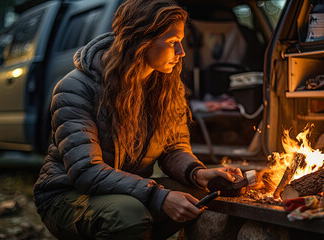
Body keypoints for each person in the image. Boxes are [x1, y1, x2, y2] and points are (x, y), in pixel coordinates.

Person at [33, 0, 242, 239]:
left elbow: (173, 148)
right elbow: (86, 172)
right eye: (173, 42)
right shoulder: (76, 88)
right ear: (142, 41)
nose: (181, 52)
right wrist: (157, 196)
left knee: (199, 193)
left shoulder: (166, 86)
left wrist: (198, 172)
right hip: (67, 195)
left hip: (125, 190)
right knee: (129, 215)